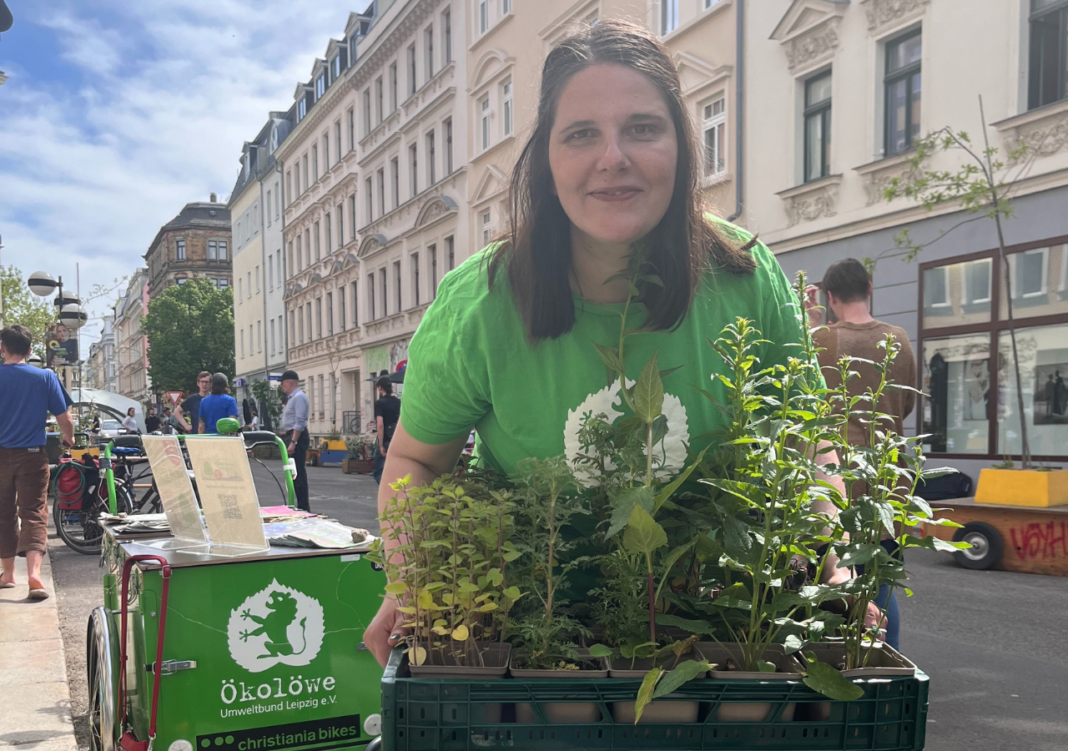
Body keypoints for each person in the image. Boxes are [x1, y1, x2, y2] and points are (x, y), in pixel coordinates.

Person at [363, 20, 881, 667]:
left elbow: (807, 443)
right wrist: (413, 581)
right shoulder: (481, 302)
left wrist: (828, 554)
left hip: (718, 634)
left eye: (642, 128)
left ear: (681, 146)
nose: (613, 157)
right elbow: (416, 460)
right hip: (532, 639)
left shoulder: (746, 277)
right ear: (546, 161)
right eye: (581, 134)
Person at [806, 258, 916, 651]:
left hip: (834, 486)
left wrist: (809, 325)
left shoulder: (821, 340)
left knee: (831, 587)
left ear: (829, 296)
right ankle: (889, 667)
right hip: (887, 485)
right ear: (869, 288)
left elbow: (803, 400)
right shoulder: (898, 339)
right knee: (881, 583)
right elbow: (905, 405)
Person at [0, 325, 75, 600]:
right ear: (30, 350)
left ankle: (8, 574)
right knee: (33, 512)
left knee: (3, 513)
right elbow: (65, 418)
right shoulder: (45, 377)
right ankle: (34, 575)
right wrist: (69, 438)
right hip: (32, 454)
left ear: (2, 348)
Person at [278, 370, 310, 511]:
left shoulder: (299, 397)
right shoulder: (293, 398)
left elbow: (300, 421)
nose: (282, 387)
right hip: (291, 435)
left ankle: (303, 506)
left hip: (297, 437)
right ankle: (298, 503)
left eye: (283, 384)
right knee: (292, 471)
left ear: (289, 383)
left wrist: (293, 442)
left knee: (298, 472)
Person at [371, 376, 400, 484]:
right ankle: (395, 489)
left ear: (380, 387)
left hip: (385, 439)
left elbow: (380, 424)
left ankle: (387, 490)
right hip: (396, 438)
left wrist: (380, 444)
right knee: (394, 470)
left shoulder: (379, 403)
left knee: (378, 471)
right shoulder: (398, 402)